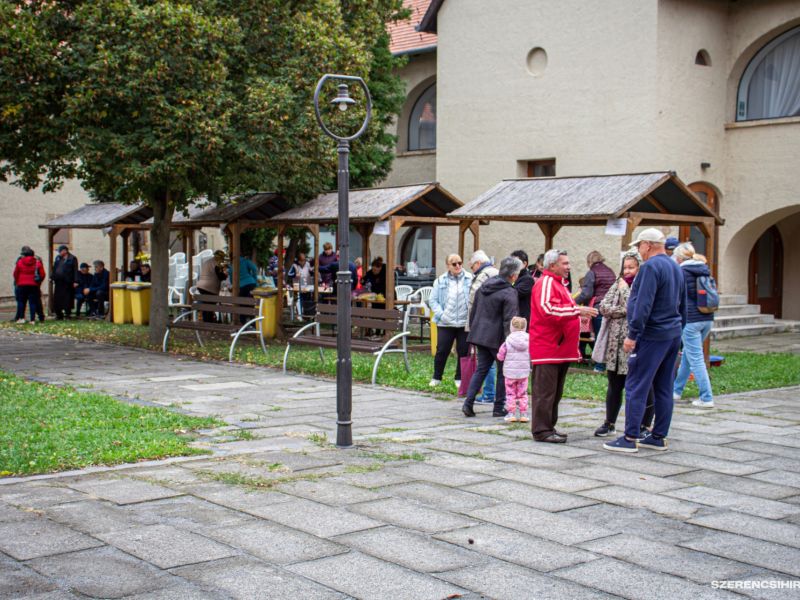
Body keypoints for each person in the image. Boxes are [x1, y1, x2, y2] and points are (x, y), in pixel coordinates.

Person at [603, 228, 686, 453]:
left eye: (639, 245)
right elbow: (683, 303)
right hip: (672, 332)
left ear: (648, 245)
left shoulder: (650, 267)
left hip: (652, 334)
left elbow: (642, 304)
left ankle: (630, 437)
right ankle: (658, 436)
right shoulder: (675, 266)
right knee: (663, 386)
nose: (639, 250)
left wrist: (633, 335)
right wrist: (680, 330)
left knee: (636, 384)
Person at [529, 249, 598, 443]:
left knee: (555, 392)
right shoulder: (546, 283)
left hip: (559, 349)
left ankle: (549, 426)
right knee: (545, 392)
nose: (569, 267)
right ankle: (541, 430)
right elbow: (547, 310)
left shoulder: (559, 284)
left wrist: (576, 312)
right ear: (552, 265)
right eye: (565, 263)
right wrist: (577, 310)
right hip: (548, 348)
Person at [593, 250, 655, 438]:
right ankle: (609, 422)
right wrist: (620, 310)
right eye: (625, 267)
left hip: (634, 342)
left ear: (639, 267)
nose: (627, 271)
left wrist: (623, 296)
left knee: (641, 385)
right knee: (614, 384)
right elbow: (603, 306)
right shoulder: (617, 283)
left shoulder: (642, 284)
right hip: (614, 343)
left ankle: (645, 424)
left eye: (631, 267)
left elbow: (635, 308)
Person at [462, 256, 522, 418]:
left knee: (481, 369)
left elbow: (474, 310)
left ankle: (468, 403)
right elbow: (509, 320)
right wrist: (511, 342)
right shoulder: (509, 292)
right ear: (513, 275)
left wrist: (473, 329)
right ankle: (498, 407)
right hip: (497, 338)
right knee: (503, 372)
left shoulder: (485, 286)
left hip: (480, 334)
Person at [672, 242, 715, 408]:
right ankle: (676, 391)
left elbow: (677, 296)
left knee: (696, 359)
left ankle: (706, 397)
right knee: (689, 357)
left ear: (680, 258)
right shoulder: (704, 268)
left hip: (691, 320)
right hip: (707, 317)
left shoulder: (682, 271)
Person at [428, 254, 472, 388]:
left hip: (464, 322)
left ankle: (459, 378)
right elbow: (432, 300)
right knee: (442, 350)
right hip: (446, 322)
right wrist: (442, 315)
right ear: (448, 266)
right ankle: (437, 377)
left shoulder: (470, 278)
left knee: (463, 351)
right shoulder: (440, 281)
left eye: (460, 262)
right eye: (454, 264)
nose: (458, 266)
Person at [575, 251, 616, 372]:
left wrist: (572, 302)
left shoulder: (592, 272)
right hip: (611, 307)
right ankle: (610, 364)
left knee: (599, 337)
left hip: (598, 308)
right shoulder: (610, 271)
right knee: (608, 337)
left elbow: (586, 294)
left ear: (589, 262)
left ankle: (599, 365)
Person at [467, 250, 498, 404]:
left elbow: (473, 300)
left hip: (484, 325)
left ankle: (489, 394)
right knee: (489, 363)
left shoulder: (484, 275)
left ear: (478, 263)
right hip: (493, 325)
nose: (472, 270)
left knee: (486, 363)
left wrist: (471, 325)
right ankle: (491, 394)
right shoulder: (495, 273)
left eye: (472, 266)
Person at [497, 316, 531, 423]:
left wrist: (500, 357)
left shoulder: (507, 341)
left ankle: (511, 414)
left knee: (510, 394)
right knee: (523, 393)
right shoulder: (529, 340)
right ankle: (523, 414)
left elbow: (500, 356)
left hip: (510, 373)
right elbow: (532, 354)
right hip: (523, 373)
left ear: (512, 327)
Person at [12, 246, 45, 324]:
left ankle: (21, 318)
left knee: (21, 301)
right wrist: (38, 282)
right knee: (32, 302)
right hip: (33, 285)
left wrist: (18, 281)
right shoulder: (37, 262)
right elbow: (42, 274)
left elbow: (15, 273)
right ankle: (32, 320)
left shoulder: (20, 262)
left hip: (21, 284)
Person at [196, 250, 228, 322]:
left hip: (201, 286)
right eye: (222, 258)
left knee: (206, 305)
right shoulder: (216, 264)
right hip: (209, 288)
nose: (223, 260)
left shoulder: (207, 262)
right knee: (209, 306)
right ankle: (209, 322)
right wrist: (225, 275)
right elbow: (220, 276)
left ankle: (207, 321)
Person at [51, 244, 79, 320]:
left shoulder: (72, 258)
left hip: (68, 282)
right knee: (57, 299)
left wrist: (76, 281)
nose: (59, 253)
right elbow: (55, 268)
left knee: (67, 298)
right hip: (58, 282)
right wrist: (52, 276)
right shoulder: (58, 258)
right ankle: (59, 314)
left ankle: (67, 314)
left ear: (65, 251)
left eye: (60, 251)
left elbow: (75, 270)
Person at [234, 254, 259, 324]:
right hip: (251, 283)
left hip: (241, 286)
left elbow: (231, 278)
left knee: (242, 304)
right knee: (251, 303)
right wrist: (254, 278)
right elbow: (255, 268)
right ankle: (253, 323)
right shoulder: (245, 261)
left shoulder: (232, 264)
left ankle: (243, 323)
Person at [511, 250, 533, 324]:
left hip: (522, 320)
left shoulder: (528, 279)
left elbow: (513, 293)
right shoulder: (514, 277)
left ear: (525, 264)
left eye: (515, 263)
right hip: (514, 317)